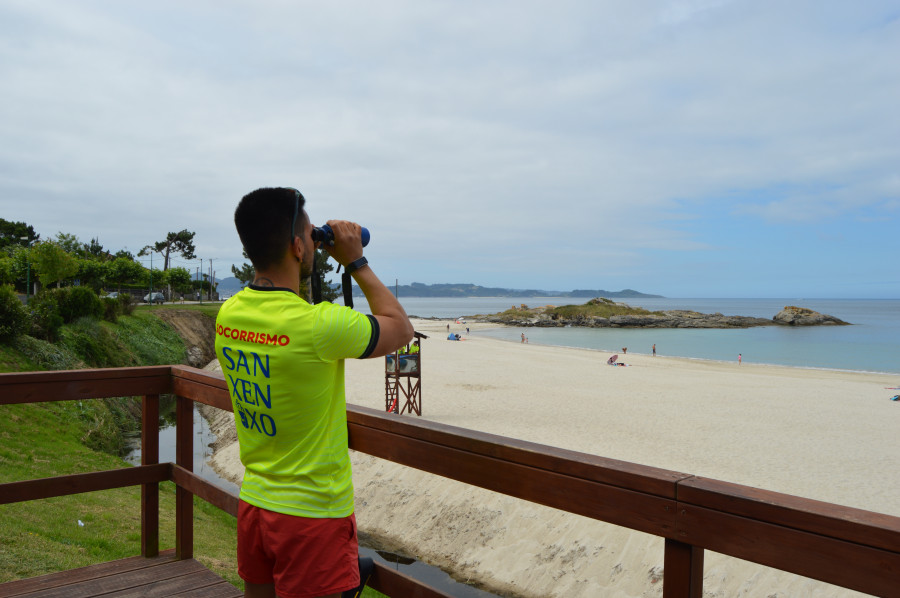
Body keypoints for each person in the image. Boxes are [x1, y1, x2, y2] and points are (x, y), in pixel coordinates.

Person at [215, 187, 414, 598]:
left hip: (255, 502)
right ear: (297, 246)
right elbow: (400, 328)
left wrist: (310, 246)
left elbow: (285, 309)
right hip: (312, 515)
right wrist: (355, 259)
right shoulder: (320, 327)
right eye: (309, 234)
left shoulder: (229, 314)